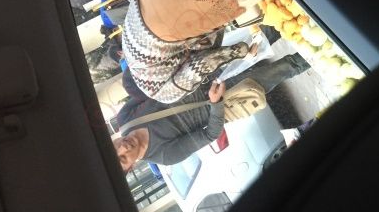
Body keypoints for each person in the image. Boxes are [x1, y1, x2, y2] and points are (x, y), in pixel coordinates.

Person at [118, 0, 281, 104]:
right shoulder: (130, 51)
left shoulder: (159, 93)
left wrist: (242, 52)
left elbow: (201, 64)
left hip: (172, 14)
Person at [113, 53, 310, 171]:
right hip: (226, 95)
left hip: (205, 68)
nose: (123, 148)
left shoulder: (126, 119)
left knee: (263, 35)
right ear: (131, 166)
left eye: (114, 148)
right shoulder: (164, 156)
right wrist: (216, 102)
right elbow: (210, 134)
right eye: (123, 158)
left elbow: (151, 89)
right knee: (288, 66)